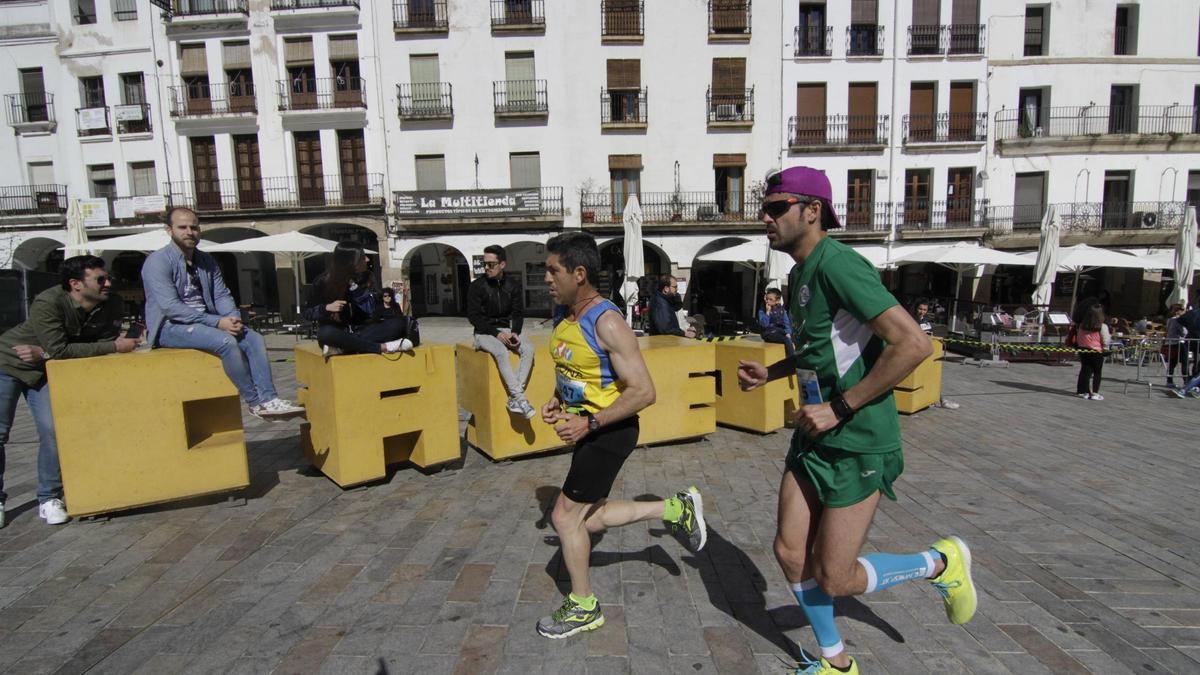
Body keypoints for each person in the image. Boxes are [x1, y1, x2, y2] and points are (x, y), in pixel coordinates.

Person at [736, 167, 977, 675]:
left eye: (777, 207)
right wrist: (774, 370)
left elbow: (914, 344)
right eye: (766, 206)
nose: (766, 216)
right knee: (788, 550)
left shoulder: (839, 264)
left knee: (836, 577)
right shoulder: (801, 272)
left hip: (858, 440)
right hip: (815, 435)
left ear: (812, 211)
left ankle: (940, 562)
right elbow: (823, 348)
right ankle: (836, 662)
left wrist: (841, 407)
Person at [536, 232, 706, 639]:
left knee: (564, 516)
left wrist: (589, 423)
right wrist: (557, 400)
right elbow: (575, 369)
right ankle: (675, 509)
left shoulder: (607, 321)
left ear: (579, 273)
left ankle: (584, 606)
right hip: (589, 428)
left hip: (610, 431)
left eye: (551, 270)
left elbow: (644, 391)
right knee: (588, 519)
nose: (545, 278)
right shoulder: (566, 314)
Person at [0, 256, 141, 527]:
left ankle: (49, 497)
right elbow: (65, 350)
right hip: (8, 363)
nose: (108, 283)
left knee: (54, 430)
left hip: (47, 371)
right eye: (100, 279)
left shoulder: (110, 303)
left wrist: (48, 352)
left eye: (108, 277)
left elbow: (91, 345)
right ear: (76, 284)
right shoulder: (48, 302)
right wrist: (112, 347)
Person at [142, 207, 304, 420]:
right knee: (226, 342)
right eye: (183, 227)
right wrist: (218, 322)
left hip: (208, 321)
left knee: (253, 339)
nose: (190, 232)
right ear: (169, 230)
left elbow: (221, 294)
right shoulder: (158, 262)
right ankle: (255, 403)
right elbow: (171, 307)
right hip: (170, 326)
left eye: (194, 227)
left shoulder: (206, 261)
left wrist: (232, 317)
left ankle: (269, 399)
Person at [303, 242, 413, 356]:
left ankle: (345, 348)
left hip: (363, 330)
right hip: (337, 333)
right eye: (362, 257)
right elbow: (307, 313)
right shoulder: (323, 281)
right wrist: (326, 308)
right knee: (325, 333)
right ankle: (382, 347)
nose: (367, 260)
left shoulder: (366, 277)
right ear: (350, 261)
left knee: (401, 322)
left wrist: (357, 291)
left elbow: (372, 308)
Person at [468, 244, 537, 419]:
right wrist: (496, 334)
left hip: (506, 328)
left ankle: (514, 397)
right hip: (483, 332)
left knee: (528, 349)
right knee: (500, 351)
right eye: (485, 264)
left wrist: (515, 332)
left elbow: (518, 313)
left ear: (502, 265)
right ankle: (520, 398)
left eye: (491, 264)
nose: (486, 268)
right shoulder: (477, 286)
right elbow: (473, 317)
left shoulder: (512, 285)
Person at [913, 300, 960, 410]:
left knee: (932, 377)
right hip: (914, 354)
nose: (922, 312)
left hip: (926, 354)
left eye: (924, 310)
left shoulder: (926, 322)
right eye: (920, 309)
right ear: (916, 309)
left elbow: (930, 334)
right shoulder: (910, 320)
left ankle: (941, 400)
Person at [1073, 304, 1110, 401]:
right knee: (1097, 372)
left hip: (1083, 350)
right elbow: (1106, 340)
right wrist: (1106, 347)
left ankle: (1083, 391)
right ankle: (1095, 392)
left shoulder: (1081, 325)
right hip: (1096, 350)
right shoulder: (1102, 326)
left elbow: (1079, 338)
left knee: (1085, 370)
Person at [757, 287, 793, 355]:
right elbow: (764, 325)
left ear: (777, 300)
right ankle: (792, 359)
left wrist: (788, 333)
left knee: (792, 338)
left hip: (779, 331)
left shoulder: (782, 310)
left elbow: (786, 323)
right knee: (786, 340)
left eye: (770, 299)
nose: (767, 301)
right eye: (767, 299)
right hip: (768, 333)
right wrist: (767, 312)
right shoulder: (762, 310)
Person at [1163, 304, 1188, 388]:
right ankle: (1186, 381)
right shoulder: (1178, 320)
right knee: (1185, 362)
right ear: (1178, 311)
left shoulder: (1169, 320)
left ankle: (1169, 381)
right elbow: (1183, 332)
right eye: (1183, 310)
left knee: (1172, 363)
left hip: (1170, 343)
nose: (1184, 312)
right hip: (1179, 343)